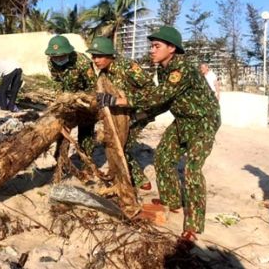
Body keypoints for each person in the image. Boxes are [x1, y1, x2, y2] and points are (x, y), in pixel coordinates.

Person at [144, 26, 221, 241]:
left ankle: (193, 226)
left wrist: (122, 101)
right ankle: (172, 202)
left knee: (192, 169)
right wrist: (142, 117)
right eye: (151, 46)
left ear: (171, 48)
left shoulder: (183, 68)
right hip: (184, 120)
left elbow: (159, 96)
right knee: (163, 158)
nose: (152, 50)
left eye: (156, 46)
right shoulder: (163, 69)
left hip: (203, 121)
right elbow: (166, 101)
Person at [87, 36, 155, 189]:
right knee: (117, 144)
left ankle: (137, 180)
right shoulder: (103, 75)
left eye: (99, 56)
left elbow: (151, 91)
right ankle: (133, 178)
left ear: (110, 55)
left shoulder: (127, 66)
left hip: (140, 112)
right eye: (93, 56)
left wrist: (119, 101)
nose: (95, 60)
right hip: (123, 115)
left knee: (122, 145)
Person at [45, 35, 97, 155]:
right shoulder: (51, 61)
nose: (58, 59)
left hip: (84, 99)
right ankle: (60, 161)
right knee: (62, 129)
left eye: (61, 56)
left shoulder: (82, 62)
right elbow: (57, 82)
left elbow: (92, 86)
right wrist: (60, 100)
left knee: (85, 132)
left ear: (68, 52)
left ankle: (86, 160)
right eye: (55, 57)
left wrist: (85, 101)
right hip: (66, 99)